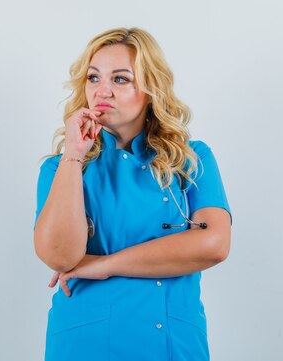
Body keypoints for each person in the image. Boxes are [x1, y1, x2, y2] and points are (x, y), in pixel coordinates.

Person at [33, 27, 232, 361]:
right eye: (93, 78)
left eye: (121, 79)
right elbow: (59, 257)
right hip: (87, 343)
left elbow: (214, 244)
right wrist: (73, 154)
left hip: (172, 342)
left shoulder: (190, 160)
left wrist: (105, 265)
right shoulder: (62, 169)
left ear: (151, 89)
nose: (102, 91)